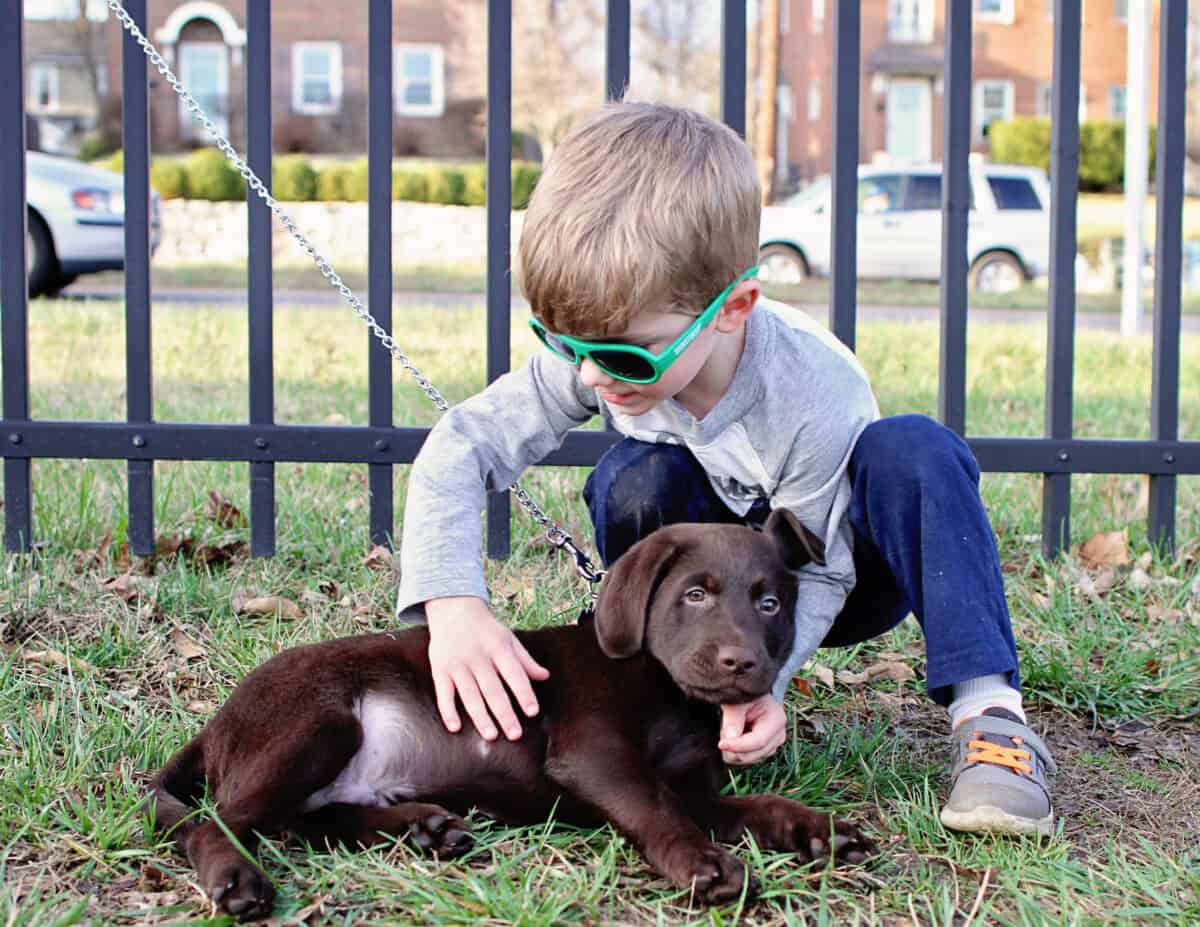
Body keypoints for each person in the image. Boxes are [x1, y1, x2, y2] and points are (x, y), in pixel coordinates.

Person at [396, 101, 1056, 837]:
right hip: (706, 588)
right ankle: (674, 689)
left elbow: (825, 568)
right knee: (636, 478)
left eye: (620, 354)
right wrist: (451, 605)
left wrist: (768, 680)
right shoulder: (601, 357)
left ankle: (992, 717)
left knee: (915, 451)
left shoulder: (812, 390)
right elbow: (461, 446)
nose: (588, 376)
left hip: (821, 571)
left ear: (733, 307)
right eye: (563, 343)